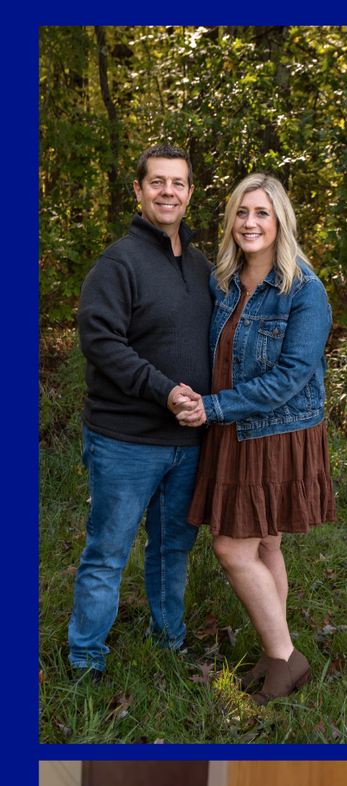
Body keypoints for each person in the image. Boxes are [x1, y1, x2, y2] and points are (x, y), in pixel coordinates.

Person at [177, 173, 336, 703]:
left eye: (261, 213)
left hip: (276, 431)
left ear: (280, 221)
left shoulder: (305, 291)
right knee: (266, 541)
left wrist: (212, 407)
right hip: (231, 426)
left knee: (231, 546)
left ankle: (287, 657)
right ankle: (275, 656)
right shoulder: (223, 282)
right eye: (242, 213)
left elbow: (290, 377)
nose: (250, 223)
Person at [69, 144, 214, 683]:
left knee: (172, 550)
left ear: (190, 192)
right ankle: (85, 658)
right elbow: (101, 342)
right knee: (108, 552)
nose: (167, 192)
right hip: (124, 440)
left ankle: (167, 640)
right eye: (157, 182)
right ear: (138, 190)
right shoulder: (118, 263)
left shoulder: (202, 265)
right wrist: (165, 391)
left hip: (189, 441)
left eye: (177, 183)